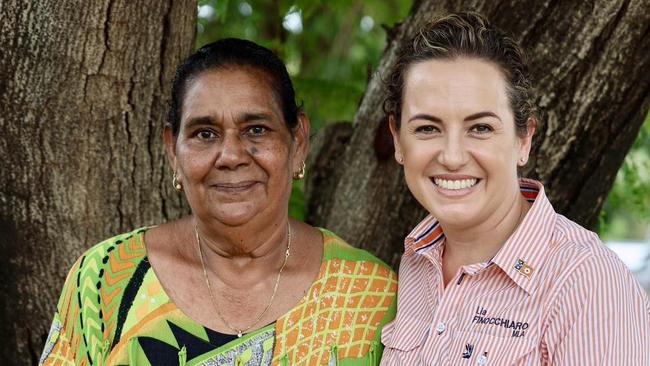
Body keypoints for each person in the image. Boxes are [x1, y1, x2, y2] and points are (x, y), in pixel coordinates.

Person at [40, 38, 397, 365]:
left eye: (256, 129)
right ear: (173, 151)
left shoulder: (372, 296)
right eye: (204, 133)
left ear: (298, 141)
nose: (231, 155)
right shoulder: (105, 281)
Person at [379, 12, 650, 365]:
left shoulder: (586, 282)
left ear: (524, 139)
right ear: (398, 139)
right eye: (428, 128)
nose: (452, 156)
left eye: (480, 128)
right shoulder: (419, 261)